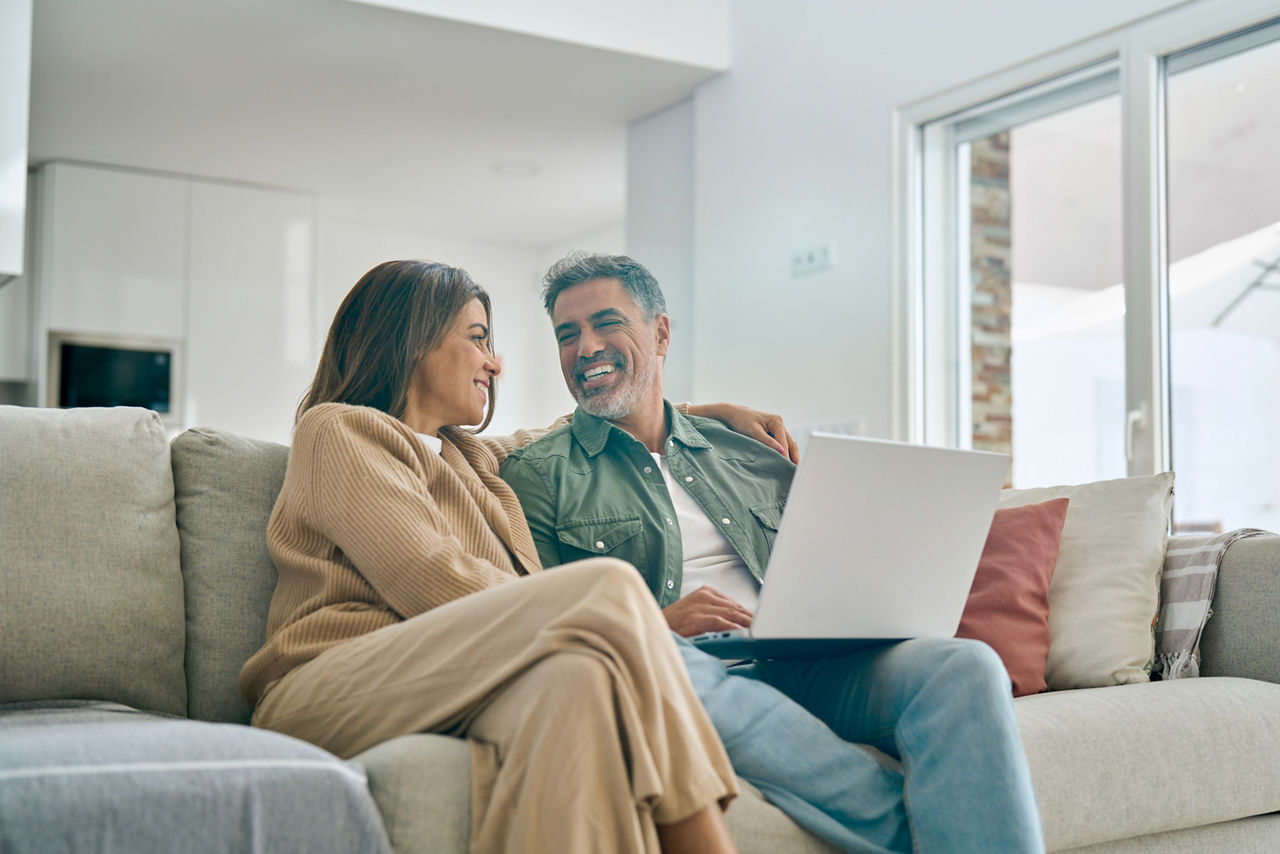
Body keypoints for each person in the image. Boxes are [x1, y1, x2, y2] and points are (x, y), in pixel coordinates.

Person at [499, 252, 1047, 853]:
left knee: (963, 666)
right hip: (683, 668)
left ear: (660, 333)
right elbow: (548, 623)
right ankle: (928, 829)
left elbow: (826, 557)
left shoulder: (749, 450)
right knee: (661, 668)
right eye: (567, 334)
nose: (586, 347)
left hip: (804, 661)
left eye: (607, 323)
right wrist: (656, 628)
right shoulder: (537, 474)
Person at [238, 259, 763, 854]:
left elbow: (581, 425)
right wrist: (632, 624)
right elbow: (428, 577)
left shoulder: (468, 459)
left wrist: (704, 415)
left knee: (579, 679)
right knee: (610, 589)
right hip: (329, 682)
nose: (495, 362)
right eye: (478, 338)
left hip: (448, 675)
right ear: (412, 339)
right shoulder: (339, 431)